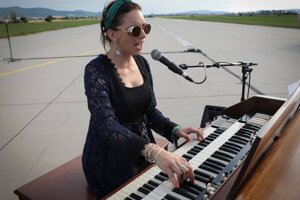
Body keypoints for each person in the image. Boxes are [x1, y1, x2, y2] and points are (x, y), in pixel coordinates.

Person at [82, 0, 205, 198]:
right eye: (135, 30)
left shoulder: (142, 63)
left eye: (145, 27)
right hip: (109, 159)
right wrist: (154, 152)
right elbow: (106, 125)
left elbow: (149, 111)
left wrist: (173, 129)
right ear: (112, 34)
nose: (144, 35)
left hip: (143, 150)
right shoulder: (96, 70)